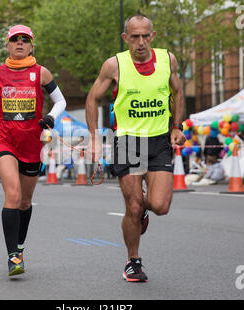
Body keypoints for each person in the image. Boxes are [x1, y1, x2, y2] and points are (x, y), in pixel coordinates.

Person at [85, 14, 186, 282]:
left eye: (145, 36)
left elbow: (177, 92)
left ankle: (143, 211)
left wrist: (177, 126)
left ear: (152, 36)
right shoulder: (114, 65)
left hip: (160, 140)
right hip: (129, 140)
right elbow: (93, 99)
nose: (140, 42)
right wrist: (94, 137)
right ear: (125, 38)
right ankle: (133, 261)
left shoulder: (168, 60)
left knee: (159, 205)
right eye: (134, 37)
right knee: (133, 204)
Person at [0, 25, 66, 277]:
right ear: (7, 45)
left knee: (25, 201)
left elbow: (61, 101)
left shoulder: (42, 73)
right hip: (4, 140)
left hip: (32, 143)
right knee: (12, 194)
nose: (20, 43)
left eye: (25, 40)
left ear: (31, 46)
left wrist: (50, 116)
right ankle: (13, 255)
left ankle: (20, 246)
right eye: (15, 39)